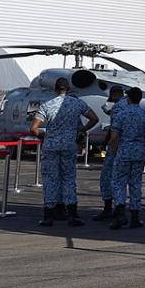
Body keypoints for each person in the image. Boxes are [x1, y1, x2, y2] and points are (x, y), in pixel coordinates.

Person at [31, 77, 99, 227]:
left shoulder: (47, 105)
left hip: (51, 146)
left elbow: (33, 128)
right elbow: (94, 119)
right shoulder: (78, 103)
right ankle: (72, 215)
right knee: (68, 178)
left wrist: (44, 136)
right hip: (69, 145)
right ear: (68, 89)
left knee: (50, 179)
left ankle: (48, 216)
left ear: (55, 89)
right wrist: (81, 131)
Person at [109, 88, 145, 229]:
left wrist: (115, 151)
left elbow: (114, 137)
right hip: (138, 152)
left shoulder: (121, 115)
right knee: (135, 183)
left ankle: (120, 214)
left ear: (128, 99)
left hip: (123, 152)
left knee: (119, 183)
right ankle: (135, 218)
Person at [93, 85, 128, 221]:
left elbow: (114, 129)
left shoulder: (117, 108)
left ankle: (109, 209)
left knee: (107, 178)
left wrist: (106, 144)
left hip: (116, 148)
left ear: (114, 95)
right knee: (125, 181)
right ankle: (128, 213)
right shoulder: (132, 107)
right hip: (130, 149)